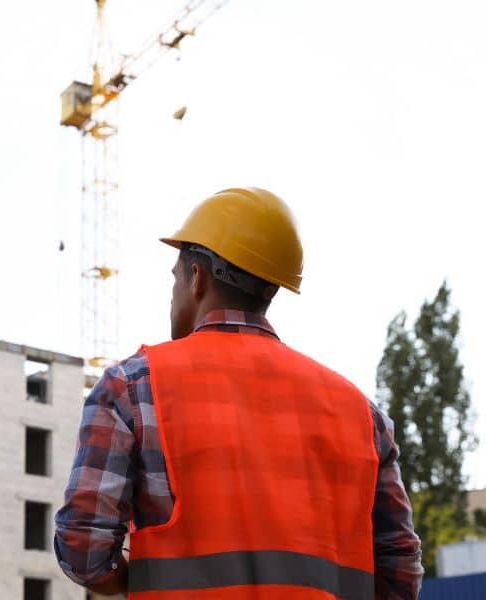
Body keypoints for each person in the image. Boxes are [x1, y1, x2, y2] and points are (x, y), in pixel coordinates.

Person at [54, 187, 423, 599]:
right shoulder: (362, 416)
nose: (173, 293)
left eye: (174, 278)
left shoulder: (132, 389)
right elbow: (400, 567)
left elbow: (84, 551)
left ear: (197, 278)